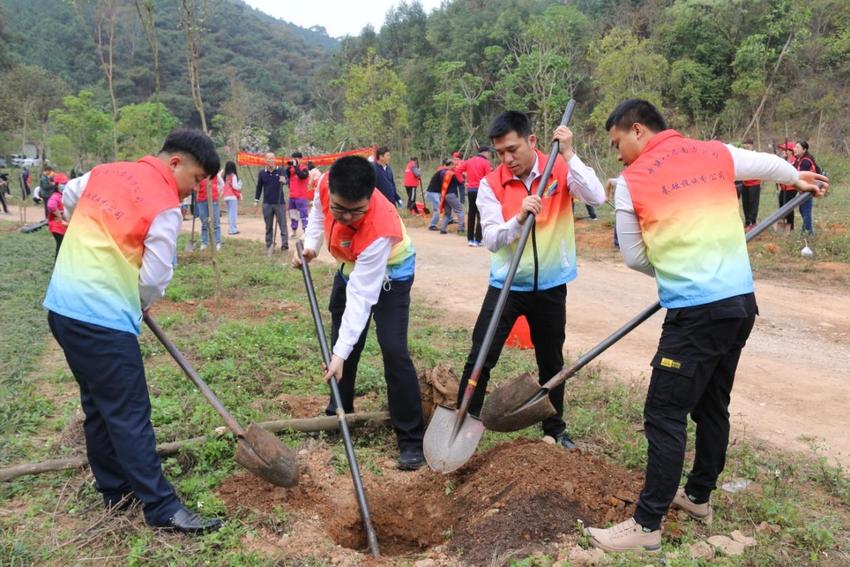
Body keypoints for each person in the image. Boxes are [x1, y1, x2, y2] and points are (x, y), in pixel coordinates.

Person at [585, 99, 828, 553]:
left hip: (695, 313)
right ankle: (698, 496)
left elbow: (635, 257)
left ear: (637, 130)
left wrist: (680, 265)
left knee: (664, 411)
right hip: (740, 304)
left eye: (618, 143)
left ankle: (645, 526)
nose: (618, 155)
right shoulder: (713, 150)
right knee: (712, 403)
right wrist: (797, 177)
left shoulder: (631, 181)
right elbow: (768, 163)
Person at [43, 128, 224, 534]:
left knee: (98, 404)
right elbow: (155, 277)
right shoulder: (164, 205)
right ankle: (161, 508)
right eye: (195, 180)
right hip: (101, 318)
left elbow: (67, 198)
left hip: (62, 309)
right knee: (129, 414)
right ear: (175, 162)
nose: (193, 191)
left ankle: (115, 490)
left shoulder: (104, 172)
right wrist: (136, 301)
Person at [456, 110, 605, 449]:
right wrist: (519, 217)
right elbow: (491, 238)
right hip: (506, 286)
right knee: (481, 355)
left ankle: (554, 429)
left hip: (551, 286)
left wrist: (568, 152)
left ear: (532, 141)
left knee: (551, 360)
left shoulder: (559, 168)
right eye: (500, 153)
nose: (507, 159)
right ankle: (464, 423)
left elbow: (597, 197)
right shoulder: (491, 184)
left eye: (513, 150)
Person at [293, 156, 425, 470]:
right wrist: (311, 244)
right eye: (341, 209)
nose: (348, 217)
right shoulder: (326, 184)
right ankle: (339, 411)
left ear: (371, 197)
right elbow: (317, 212)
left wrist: (338, 352)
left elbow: (361, 297)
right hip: (349, 267)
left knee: (393, 349)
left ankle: (410, 439)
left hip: (392, 273)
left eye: (357, 211)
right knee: (343, 341)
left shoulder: (381, 227)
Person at [457, 145, 493, 247]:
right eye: (488, 153)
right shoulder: (486, 163)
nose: (489, 155)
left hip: (470, 190)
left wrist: (462, 181)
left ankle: (470, 239)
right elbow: (489, 177)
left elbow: (457, 171)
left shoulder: (469, 161)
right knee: (480, 214)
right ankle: (478, 239)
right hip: (481, 191)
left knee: (471, 214)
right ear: (485, 152)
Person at [254, 152, 288, 254]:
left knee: (283, 226)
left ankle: (284, 247)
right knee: (268, 226)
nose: (271, 161)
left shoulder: (281, 170)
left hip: (279, 203)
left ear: (275, 159)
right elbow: (259, 187)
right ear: (265, 161)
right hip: (267, 203)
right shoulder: (262, 173)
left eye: (273, 158)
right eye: (269, 159)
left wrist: (284, 180)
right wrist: (256, 200)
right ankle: (269, 245)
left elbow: (287, 181)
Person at [793, 140, 818, 235]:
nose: (795, 149)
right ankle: (805, 230)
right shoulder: (798, 160)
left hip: (808, 188)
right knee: (802, 209)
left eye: (798, 147)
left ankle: (809, 232)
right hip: (803, 189)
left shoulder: (806, 161)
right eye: (795, 147)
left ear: (804, 150)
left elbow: (799, 175)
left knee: (806, 210)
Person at [197, 170, 223, 250]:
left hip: (213, 200)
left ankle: (217, 242)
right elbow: (196, 185)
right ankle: (204, 242)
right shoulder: (200, 174)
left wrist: (217, 192)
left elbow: (222, 184)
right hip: (201, 200)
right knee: (204, 222)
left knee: (215, 222)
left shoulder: (214, 174)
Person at [438, 159, 465, 235]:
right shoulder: (451, 174)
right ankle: (461, 228)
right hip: (451, 194)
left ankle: (443, 229)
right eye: (454, 165)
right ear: (450, 165)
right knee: (459, 211)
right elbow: (460, 182)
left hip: (444, 194)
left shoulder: (441, 172)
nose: (455, 166)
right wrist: (462, 176)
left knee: (447, 213)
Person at [425, 160, 453, 231]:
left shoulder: (442, 170)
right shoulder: (443, 172)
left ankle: (449, 219)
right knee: (438, 209)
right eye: (452, 165)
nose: (453, 167)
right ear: (449, 165)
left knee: (440, 207)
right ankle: (432, 225)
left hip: (434, 192)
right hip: (433, 193)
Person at [740, 139, 761, 230]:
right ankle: (747, 221)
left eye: (748, 147)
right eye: (744, 147)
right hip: (744, 183)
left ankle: (753, 221)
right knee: (745, 203)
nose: (746, 148)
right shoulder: (742, 156)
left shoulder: (756, 156)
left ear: (752, 146)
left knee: (753, 203)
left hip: (754, 183)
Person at [287, 152, 310, 237]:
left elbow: (301, 176)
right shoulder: (291, 169)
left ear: (300, 159)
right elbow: (287, 175)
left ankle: (305, 231)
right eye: (293, 159)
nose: (294, 161)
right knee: (293, 214)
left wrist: (296, 167)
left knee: (303, 215)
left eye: (296, 159)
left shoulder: (304, 168)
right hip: (292, 196)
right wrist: (290, 166)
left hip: (301, 197)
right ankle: (293, 230)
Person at [777, 142, 798, 231]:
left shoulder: (794, 160)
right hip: (783, 187)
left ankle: (790, 227)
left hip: (791, 188)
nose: (782, 151)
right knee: (782, 205)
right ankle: (783, 226)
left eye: (784, 150)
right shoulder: (783, 160)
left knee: (788, 206)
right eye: (782, 149)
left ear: (790, 151)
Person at [46, 182, 67, 255]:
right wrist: (59, 216)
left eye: (66, 183)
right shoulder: (56, 196)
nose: (64, 185)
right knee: (61, 247)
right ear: (57, 185)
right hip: (57, 227)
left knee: (62, 247)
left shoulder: (63, 195)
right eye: (63, 183)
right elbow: (51, 206)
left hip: (61, 226)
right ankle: (58, 264)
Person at [222, 161, 242, 235]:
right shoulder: (233, 176)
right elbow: (235, 186)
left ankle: (231, 228)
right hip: (232, 196)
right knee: (233, 213)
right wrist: (239, 185)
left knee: (230, 213)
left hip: (226, 196)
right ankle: (233, 229)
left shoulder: (226, 176)